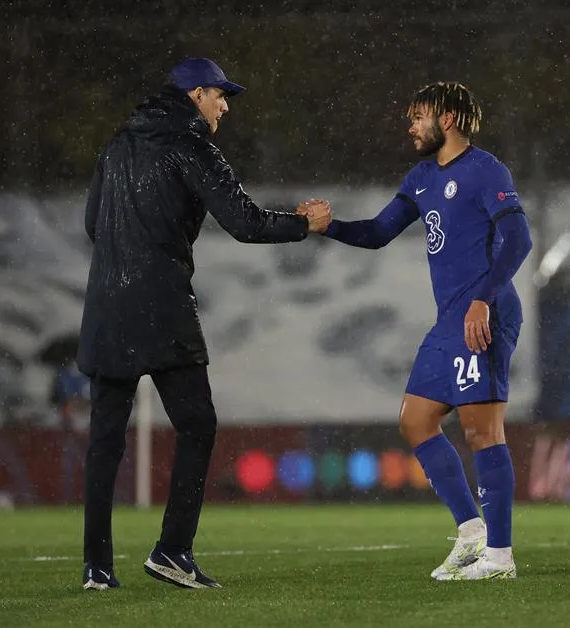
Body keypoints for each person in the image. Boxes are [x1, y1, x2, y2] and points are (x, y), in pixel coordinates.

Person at [77, 57, 331, 591]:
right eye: (220, 96)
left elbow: (92, 222)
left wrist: (127, 259)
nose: (224, 108)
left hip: (105, 308)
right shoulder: (191, 146)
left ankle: (97, 567)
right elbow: (245, 223)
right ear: (195, 95)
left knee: (104, 440)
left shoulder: (117, 145)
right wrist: (305, 224)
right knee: (197, 426)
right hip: (163, 307)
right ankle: (172, 551)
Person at [302, 82, 532, 580]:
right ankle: (470, 533)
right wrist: (331, 227)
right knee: (415, 420)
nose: (410, 126)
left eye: (418, 116)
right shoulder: (422, 176)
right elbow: (380, 232)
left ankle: (500, 557)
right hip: (450, 319)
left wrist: (481, 300)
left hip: (484, 313)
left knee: (481, 431)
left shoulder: (485, 170)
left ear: (447, 119)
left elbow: (518, 238)